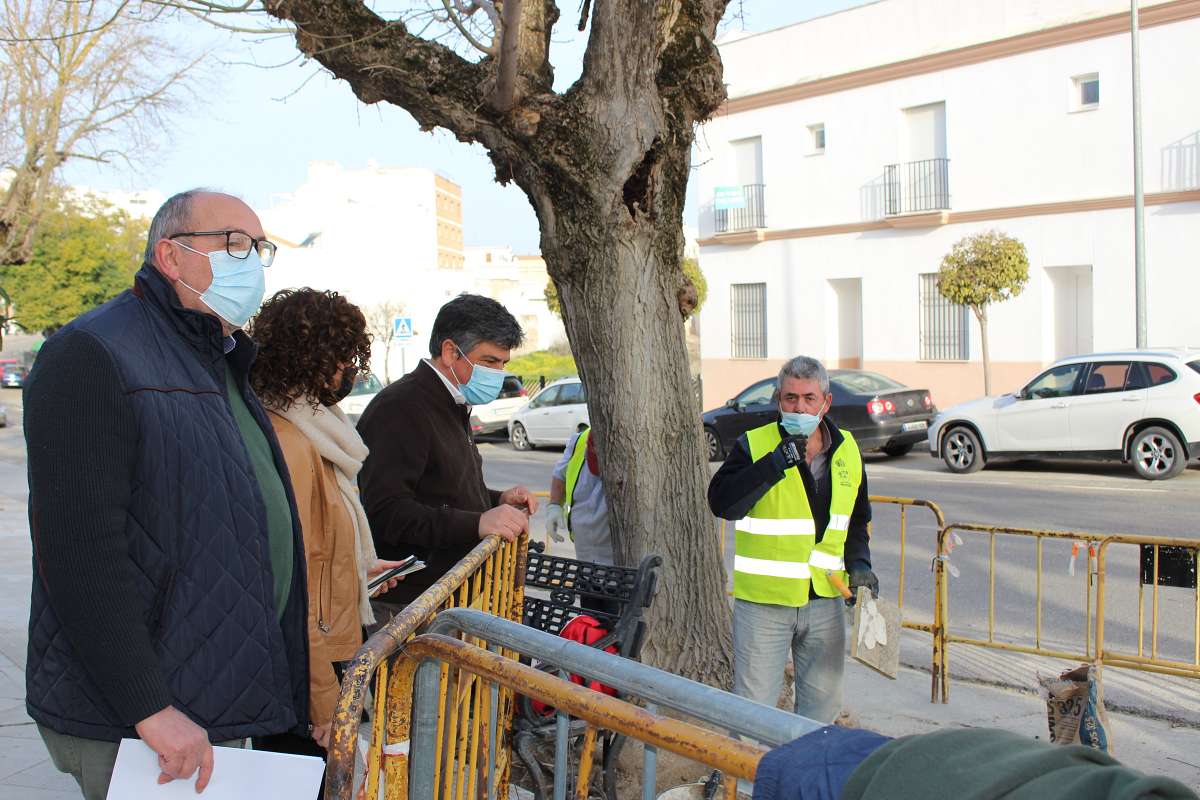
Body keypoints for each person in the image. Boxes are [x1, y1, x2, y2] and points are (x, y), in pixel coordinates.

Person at [24, 190, 310, 799]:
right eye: (233, 243)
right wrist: (148, 706)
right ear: (170, 256)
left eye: (259, 247)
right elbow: (78, 553)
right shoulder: (93, 352)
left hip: (208, 692)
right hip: (142, 719)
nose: (250, 260)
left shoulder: (214, 356)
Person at [247, 288, 408, 766]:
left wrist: (362, 570)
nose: (350, 371)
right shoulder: (289, 438)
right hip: (306, 664)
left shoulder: (316, 426)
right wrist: (322, 698)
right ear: (313, 359)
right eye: (344, 356)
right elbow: (295, 574)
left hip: (325, 646)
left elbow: (323, 547)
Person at [707, 355, 877, 724]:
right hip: (765, 603)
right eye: (790, 398)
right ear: (778, 400)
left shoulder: (847, 449)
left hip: (825, 600)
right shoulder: (754, 445)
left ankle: (803, 782)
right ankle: (749, 783)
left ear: (825, 402)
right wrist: (772, 464)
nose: (799, 406)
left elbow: (856, 520)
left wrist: (861, 565)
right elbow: (722, 503)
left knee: (821, 712)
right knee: (753, 714)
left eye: (808, 398)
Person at [358, 293, 538, 619]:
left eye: (503, 363)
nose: (498, 374)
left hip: (448, 597)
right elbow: (386, 512)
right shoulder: (401, 407)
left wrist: (496, 501)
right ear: (450, 351)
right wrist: (478, 522)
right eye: (489, 362)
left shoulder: (451, 401)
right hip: (411, 607)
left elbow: (442, 489)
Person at [545, 425, 618, 612]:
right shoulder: (578, 441)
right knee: (591, 620)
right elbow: (559, 474)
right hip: (587, 563)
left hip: (619, 572)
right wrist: (554, 506)